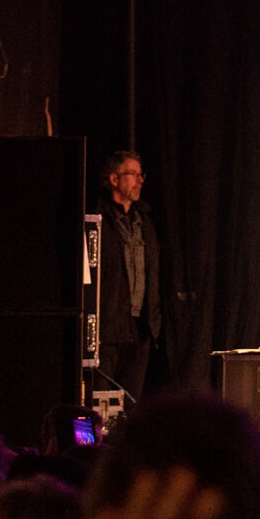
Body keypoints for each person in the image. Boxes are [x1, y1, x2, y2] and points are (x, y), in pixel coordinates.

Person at [97, 150, 168, 400]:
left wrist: (155, 320)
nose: (140, 180)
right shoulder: (99, 218)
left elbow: (153, 272)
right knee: (103, 398)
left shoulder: (144, 220)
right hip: (109, 327)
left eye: (141, 174)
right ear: (114, 179)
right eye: (132, 174)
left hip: (141, 326)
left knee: (131, 399)